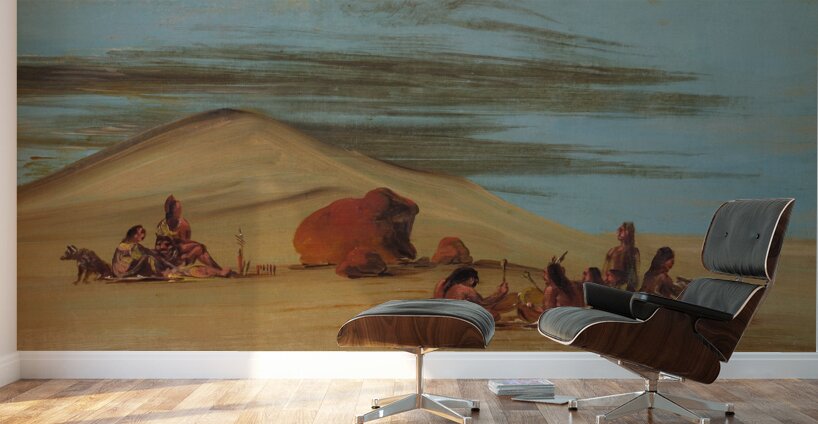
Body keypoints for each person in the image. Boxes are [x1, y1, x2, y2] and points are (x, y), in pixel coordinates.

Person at [156, 195, 229, 276]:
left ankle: (218, 269)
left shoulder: (183, 224)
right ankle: (218, 270)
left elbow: (185, 241)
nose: (180, 212)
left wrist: (189, 249)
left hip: (180, 251)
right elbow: (160, 243)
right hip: (169, 252)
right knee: (199, 248)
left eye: (180, 209)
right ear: (172, 211)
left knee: (198, 248)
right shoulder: (162, 225)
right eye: (178, 209)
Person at [519, 254, 584, 322]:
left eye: (545, 273)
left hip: (561, 321)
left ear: (551, 274)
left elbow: (548, 312)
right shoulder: (572, 285)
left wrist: (531, 309)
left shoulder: (551, 289)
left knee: (523, 308)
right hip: (575, 318)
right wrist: (534, 307)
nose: (543, 276)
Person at [433, 266, 509, 320]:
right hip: (456, 318)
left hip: (441, 314)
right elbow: (484, 303)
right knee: (495, 315)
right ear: (472, 279)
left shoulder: (442, 283)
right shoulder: (466, 289)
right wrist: (501, 293)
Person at [603, 222, 640, 291]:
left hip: (623, 288)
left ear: (629, 232)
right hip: (608, 286)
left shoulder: (633, 251)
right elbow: (605, 270)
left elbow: (634, 273)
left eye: (622, 230)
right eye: (618, 230)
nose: (618, 232)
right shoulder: (612, 250)